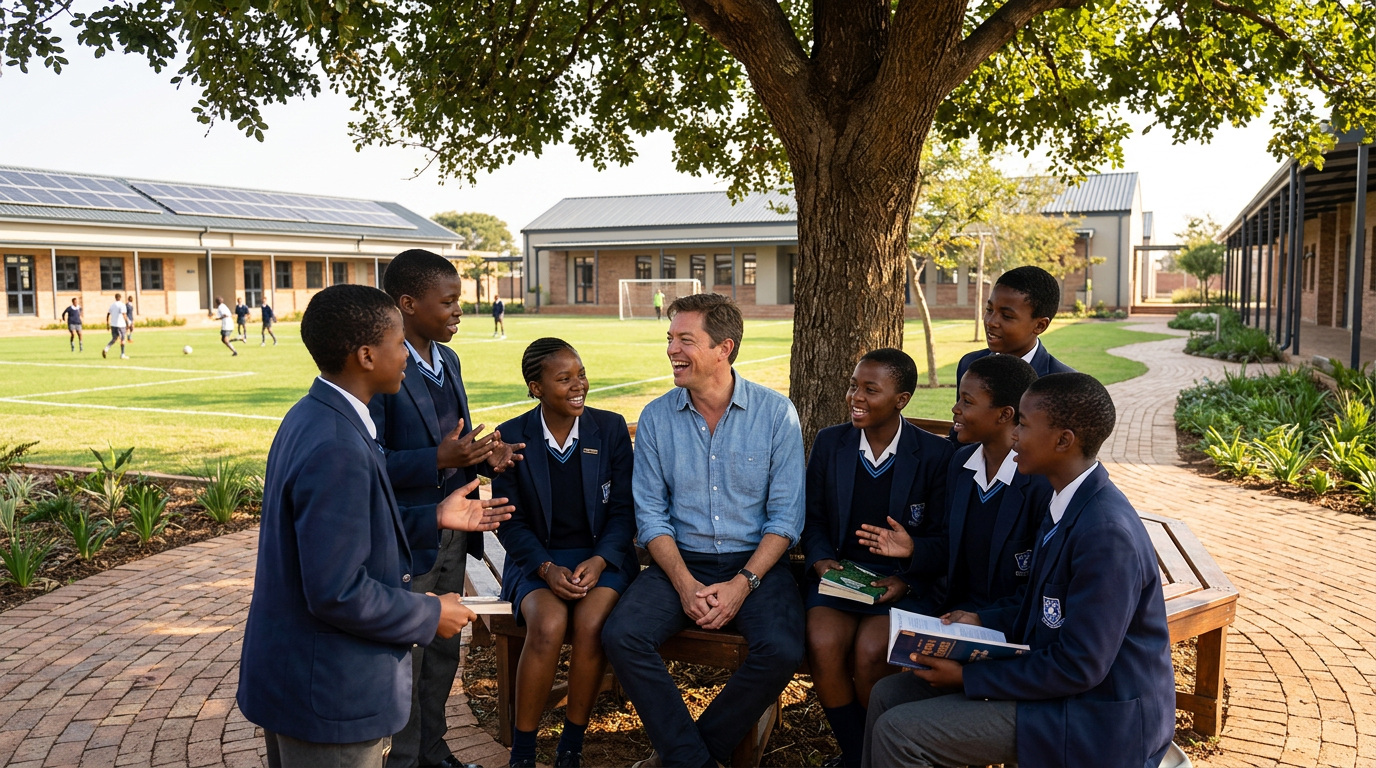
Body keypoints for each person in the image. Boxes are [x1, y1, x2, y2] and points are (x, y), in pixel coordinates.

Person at [236, 283, 515, 768]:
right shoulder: (336, 445)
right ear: (366, 355)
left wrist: (432, 515)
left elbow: (340, 536)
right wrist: (428, 615)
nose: (406, 355)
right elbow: (337, 591)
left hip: (300, 681)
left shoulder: (313, 416)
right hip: (329, 694)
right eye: (396, 342)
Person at [862, 373, 1176, 768]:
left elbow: (1079, 666)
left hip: (1093, 713)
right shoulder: (1065, 503)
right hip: (1053, 684)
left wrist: (968, 679)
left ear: (1063, 440)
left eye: (1024, 426)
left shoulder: (1105, 534)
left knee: (901, 732)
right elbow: (1042, 609)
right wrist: (979, 619)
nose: (1013, 438)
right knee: (889, 695)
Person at [602, 293, 806, 768]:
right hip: (681, 560)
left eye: (685, 340)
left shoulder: (776, 414)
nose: (672, 349)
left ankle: (686, 754)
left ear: (724, 348)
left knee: (781, 649)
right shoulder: (655, 418)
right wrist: (685, 583)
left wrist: (743, 584)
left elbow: (785, 519)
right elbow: (650, 516)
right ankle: (693, 759)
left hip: (755, 564)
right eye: (670, 338)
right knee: (624, 636)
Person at [369, 248, 522, 768]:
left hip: (456, 530)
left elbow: (457, 442)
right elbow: (370, 461)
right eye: (449, 301)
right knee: (410, 649)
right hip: (407, 533)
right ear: (408, 303)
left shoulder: (449, 358)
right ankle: (404, 759)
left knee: (442, 647)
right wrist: (436, 458)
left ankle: (433, 751)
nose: (460, 311)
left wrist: (486, 458)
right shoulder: (381, 366)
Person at [800, 348, 954, 768]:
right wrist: (819, 562)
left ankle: (873, 751)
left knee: (871, 651)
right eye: (853, 386)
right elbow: (811, 518)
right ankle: (858, 753)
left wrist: (907, 572)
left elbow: (945, 539)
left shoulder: (934, 456)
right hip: (837, 577)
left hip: (901, 582)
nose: (856, 397)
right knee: (823, 641)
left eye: (871, 389)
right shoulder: (832, 442)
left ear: (901, 399)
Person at [494, 338, 638, 768]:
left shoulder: (609, 429)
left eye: (581, 374)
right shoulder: (514, 436)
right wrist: (545, 566)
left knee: (593, 624)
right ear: (535, 388)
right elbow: (508, 520)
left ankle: (571, 746)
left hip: (601, 555)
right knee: (548, 625)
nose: (579, 386)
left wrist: (600, 560)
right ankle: (522, 751)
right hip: (537, 558)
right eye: (564, 379)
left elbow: (625, 509)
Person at [861, 354, 1051, 616]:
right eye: (958, 397)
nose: (955, 408)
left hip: (1006, 619)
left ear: (1005, 414)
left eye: (967, 401)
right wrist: (914, 548)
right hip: (949, 607)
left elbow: (1040, 584)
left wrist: (983, 620)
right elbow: (946, 545)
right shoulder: (960, 462)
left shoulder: (1040, 483)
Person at [953, 265, 1073, 389]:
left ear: (1040, 325)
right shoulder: (969, 365)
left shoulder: (1065, 386)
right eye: (989, 309)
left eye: (1006, 316)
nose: (990, 322)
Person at [102, 293, 128, 359]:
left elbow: (108, 314)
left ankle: (106, 349)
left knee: (114, 339)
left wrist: (107, 324)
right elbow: (124, 314)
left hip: (113, 325)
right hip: (121, 325)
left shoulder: (112, 305)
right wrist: (127, 323)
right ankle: (122, 354)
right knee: (122, 339)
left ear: (115, 298)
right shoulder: (122, 305)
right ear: (120, 297)